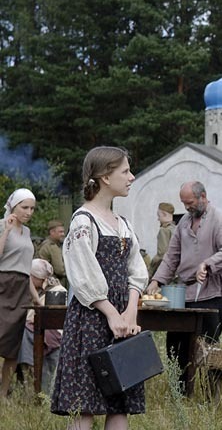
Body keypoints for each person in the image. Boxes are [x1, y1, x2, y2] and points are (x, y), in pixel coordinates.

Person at [50, 146, 149, 429]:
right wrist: (110, 313)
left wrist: (130, 312)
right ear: (105, 176)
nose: (131, 177)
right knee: (86, 405)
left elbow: (136, 270)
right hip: (91, 319)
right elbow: (83, 276)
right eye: (125, 171)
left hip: (122, 316)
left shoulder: (123, 224)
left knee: (119, 403)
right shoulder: (83, 221)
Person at [146, 181, 222, 392]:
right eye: (184, 203)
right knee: (176, 344)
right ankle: (180, 390)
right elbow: (171, 256)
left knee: (208, 346)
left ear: (203, 196)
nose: (186, 207)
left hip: (211, 293)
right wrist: (156, 280)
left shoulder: (219, 219)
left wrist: (209, 264)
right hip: (184, 294)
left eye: (190, 202)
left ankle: (209, 393)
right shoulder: (183, 224)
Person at [0, 187, 36, 398]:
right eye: (25, 207)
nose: (29, 212)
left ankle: (3, 394)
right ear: (14, 206)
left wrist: (36, 298)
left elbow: (27, 267)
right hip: (3, 285)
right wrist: (6, 229)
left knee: (13, 344)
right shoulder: (2, 224)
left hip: (21, 289)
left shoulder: (28, 232)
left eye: (32, 208)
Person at [17, 258, 65, 395]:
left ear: (39, 278)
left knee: (25, 332)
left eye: (31, 277)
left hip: (52, 334)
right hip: (34, 331)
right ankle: (26, 380)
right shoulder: (33, 292)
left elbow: (54, 320)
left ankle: (29, 378)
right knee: (22, 332)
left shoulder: (57, 290)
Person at [36, 219, 67, 287]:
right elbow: (60, 270)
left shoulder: (44, 244)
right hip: (51, 283)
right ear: (52, 232)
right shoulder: (52, 246)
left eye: (63, 232)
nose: (63, 234)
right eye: (60, 232)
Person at [149, 202, 175, 276]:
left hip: (166, 272)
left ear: (164, 214)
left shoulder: (164, 230)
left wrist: (150, 271)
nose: (158, 219)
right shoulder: (176, 229)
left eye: (159, 216)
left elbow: (161, 254)